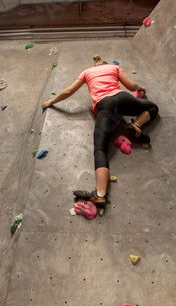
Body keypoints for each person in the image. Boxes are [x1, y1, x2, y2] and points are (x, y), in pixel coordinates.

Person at [41, 55, 159, 210]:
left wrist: (51, 102)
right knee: (152, 107)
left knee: (100, 148)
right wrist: (139, 88)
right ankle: (136, 126)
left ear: (94, 66)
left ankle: (100, 194)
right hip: (123, 98)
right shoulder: (114, 67)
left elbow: (69, 91)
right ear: (105, 64)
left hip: (106, 105)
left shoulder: (86, 72)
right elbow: (131, 86)